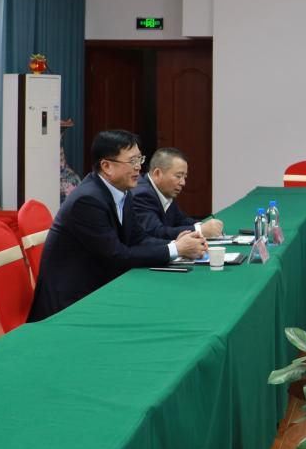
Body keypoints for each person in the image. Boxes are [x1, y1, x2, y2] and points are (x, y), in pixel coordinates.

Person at [28, 130, 207, 323]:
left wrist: (175, 244)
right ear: (107, 166)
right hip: (71, 303)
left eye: (140, 159)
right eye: (132, 161)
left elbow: (138, 238)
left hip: (99, 287)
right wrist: (175, 249)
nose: (139, 167)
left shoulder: (122, 192)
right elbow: (117, 256)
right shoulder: (87, 201)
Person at [134, 147, 224, 240]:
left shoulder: (165, 191)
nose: (183, 183)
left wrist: (204, 225)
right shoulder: (142, 194)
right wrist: (200, 230)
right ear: (157, 173)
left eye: (184, 177)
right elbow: (155, 232)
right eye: (178, 176)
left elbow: (181, 220)